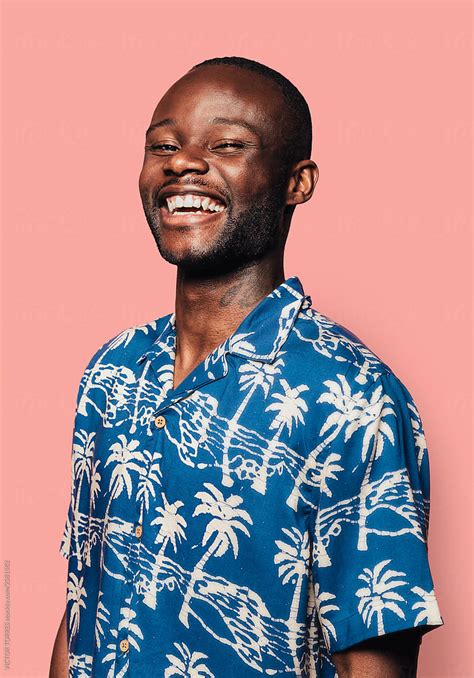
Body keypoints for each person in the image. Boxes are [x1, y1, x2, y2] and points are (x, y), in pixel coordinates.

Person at [50, 56, 443, 677]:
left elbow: (376, 662)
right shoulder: (111, 372)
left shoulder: (351, 397)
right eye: (164, 146)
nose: (182, 162)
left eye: (228, 144)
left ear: (298, 182)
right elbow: (81, 613)